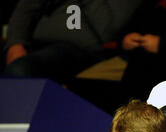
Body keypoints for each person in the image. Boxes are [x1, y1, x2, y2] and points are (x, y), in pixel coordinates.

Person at [2, 0, 142, 83]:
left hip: (79, 49)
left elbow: (106, 27)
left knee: (20, 69)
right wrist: (15, 44)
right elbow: (26, 8)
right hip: (33, 43)